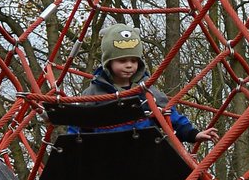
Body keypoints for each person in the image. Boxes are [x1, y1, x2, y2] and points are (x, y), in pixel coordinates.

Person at [85, 22, 213, 143]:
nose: (129, 65)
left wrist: (193, 134)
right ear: (108, 63)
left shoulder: (145, 90)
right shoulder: (95, 92)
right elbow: (78, 121)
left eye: (134, 61)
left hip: (142, 150)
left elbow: (169, 113)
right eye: (122, 61)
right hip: (106, 151)